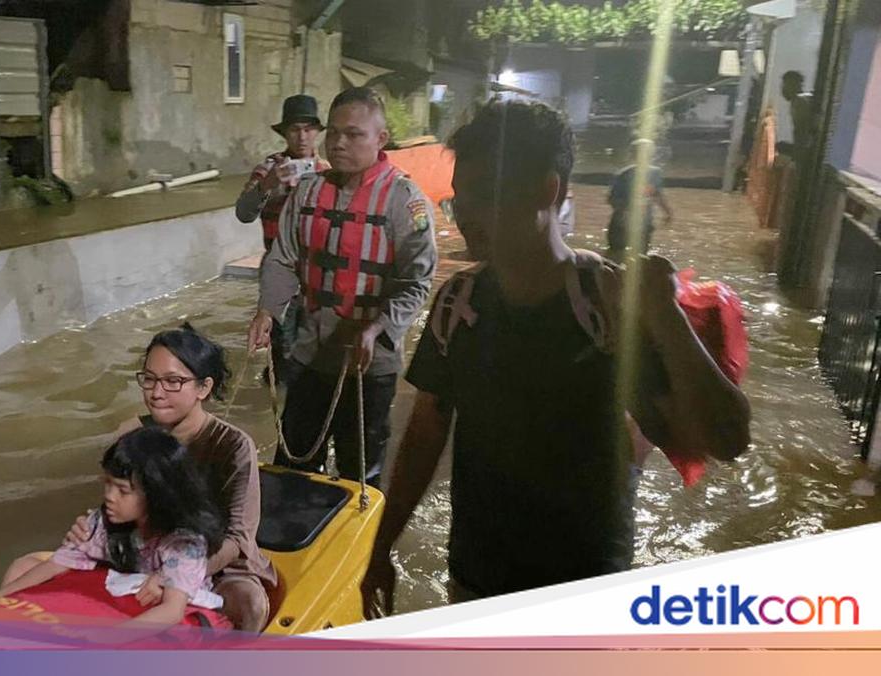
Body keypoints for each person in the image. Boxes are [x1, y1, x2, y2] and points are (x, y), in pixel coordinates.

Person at [360, 99, 751, 612]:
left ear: (549, 190)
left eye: (483, 198)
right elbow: (427, 429)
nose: (465, 217)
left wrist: (665, 316)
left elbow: (727, 439)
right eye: (460, 200)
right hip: (476, 578)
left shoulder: (612, 305)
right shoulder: (459, 304)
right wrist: (381, 546)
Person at [2, 324, 277, 632]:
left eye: (173, 382)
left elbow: (237, 539)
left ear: (203, 387)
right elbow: (119, 498)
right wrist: (89, 529)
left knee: (248, 602)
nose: (157, 393)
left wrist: (175, 575)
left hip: (211, 559)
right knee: (23, 567)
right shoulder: (130, 431)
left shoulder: (233, 445)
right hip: (138, 550)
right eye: (149, 379)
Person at [247, 86, 437, 487]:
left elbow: (416, 283)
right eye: (333, 133)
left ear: (381, 139)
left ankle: (363, 547)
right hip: (310, 353)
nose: (338, 143)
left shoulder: (404, 202)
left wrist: (377, 327)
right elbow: (283, 257)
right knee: (294, 462)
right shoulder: (309, 191)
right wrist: (267, 309)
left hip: (369, 365)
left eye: (354, 134)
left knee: (360, 476)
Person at [0, 427, 227, 635]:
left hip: (169, 615)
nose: (109, 497)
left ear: (157, 495)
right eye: (107, 484)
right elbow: (57, 564)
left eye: (122, 491)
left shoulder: (184, 544)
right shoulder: (103, 521)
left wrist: (105, 641)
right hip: (115, 600)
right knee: (22, 567)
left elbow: (172, 611)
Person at [236, 94, 329, 384]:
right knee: (282, 347)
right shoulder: (269, 169)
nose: (302, 136)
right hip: (281, 267)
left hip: (318, 271)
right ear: (284, 133)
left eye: (308, 129)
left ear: (316, 132)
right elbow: (243, 213)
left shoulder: (329, 171)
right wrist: (268, 185)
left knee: (317, 344)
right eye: (294, 129)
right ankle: (278, 400)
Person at [606, 139, 673, 257]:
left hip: (638, 223)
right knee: (621, 254)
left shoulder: (655, 173)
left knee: (628, 256)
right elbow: (612, 199)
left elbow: (658, 195)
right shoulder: (624, 175)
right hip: (623, 223)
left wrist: (667, 212)